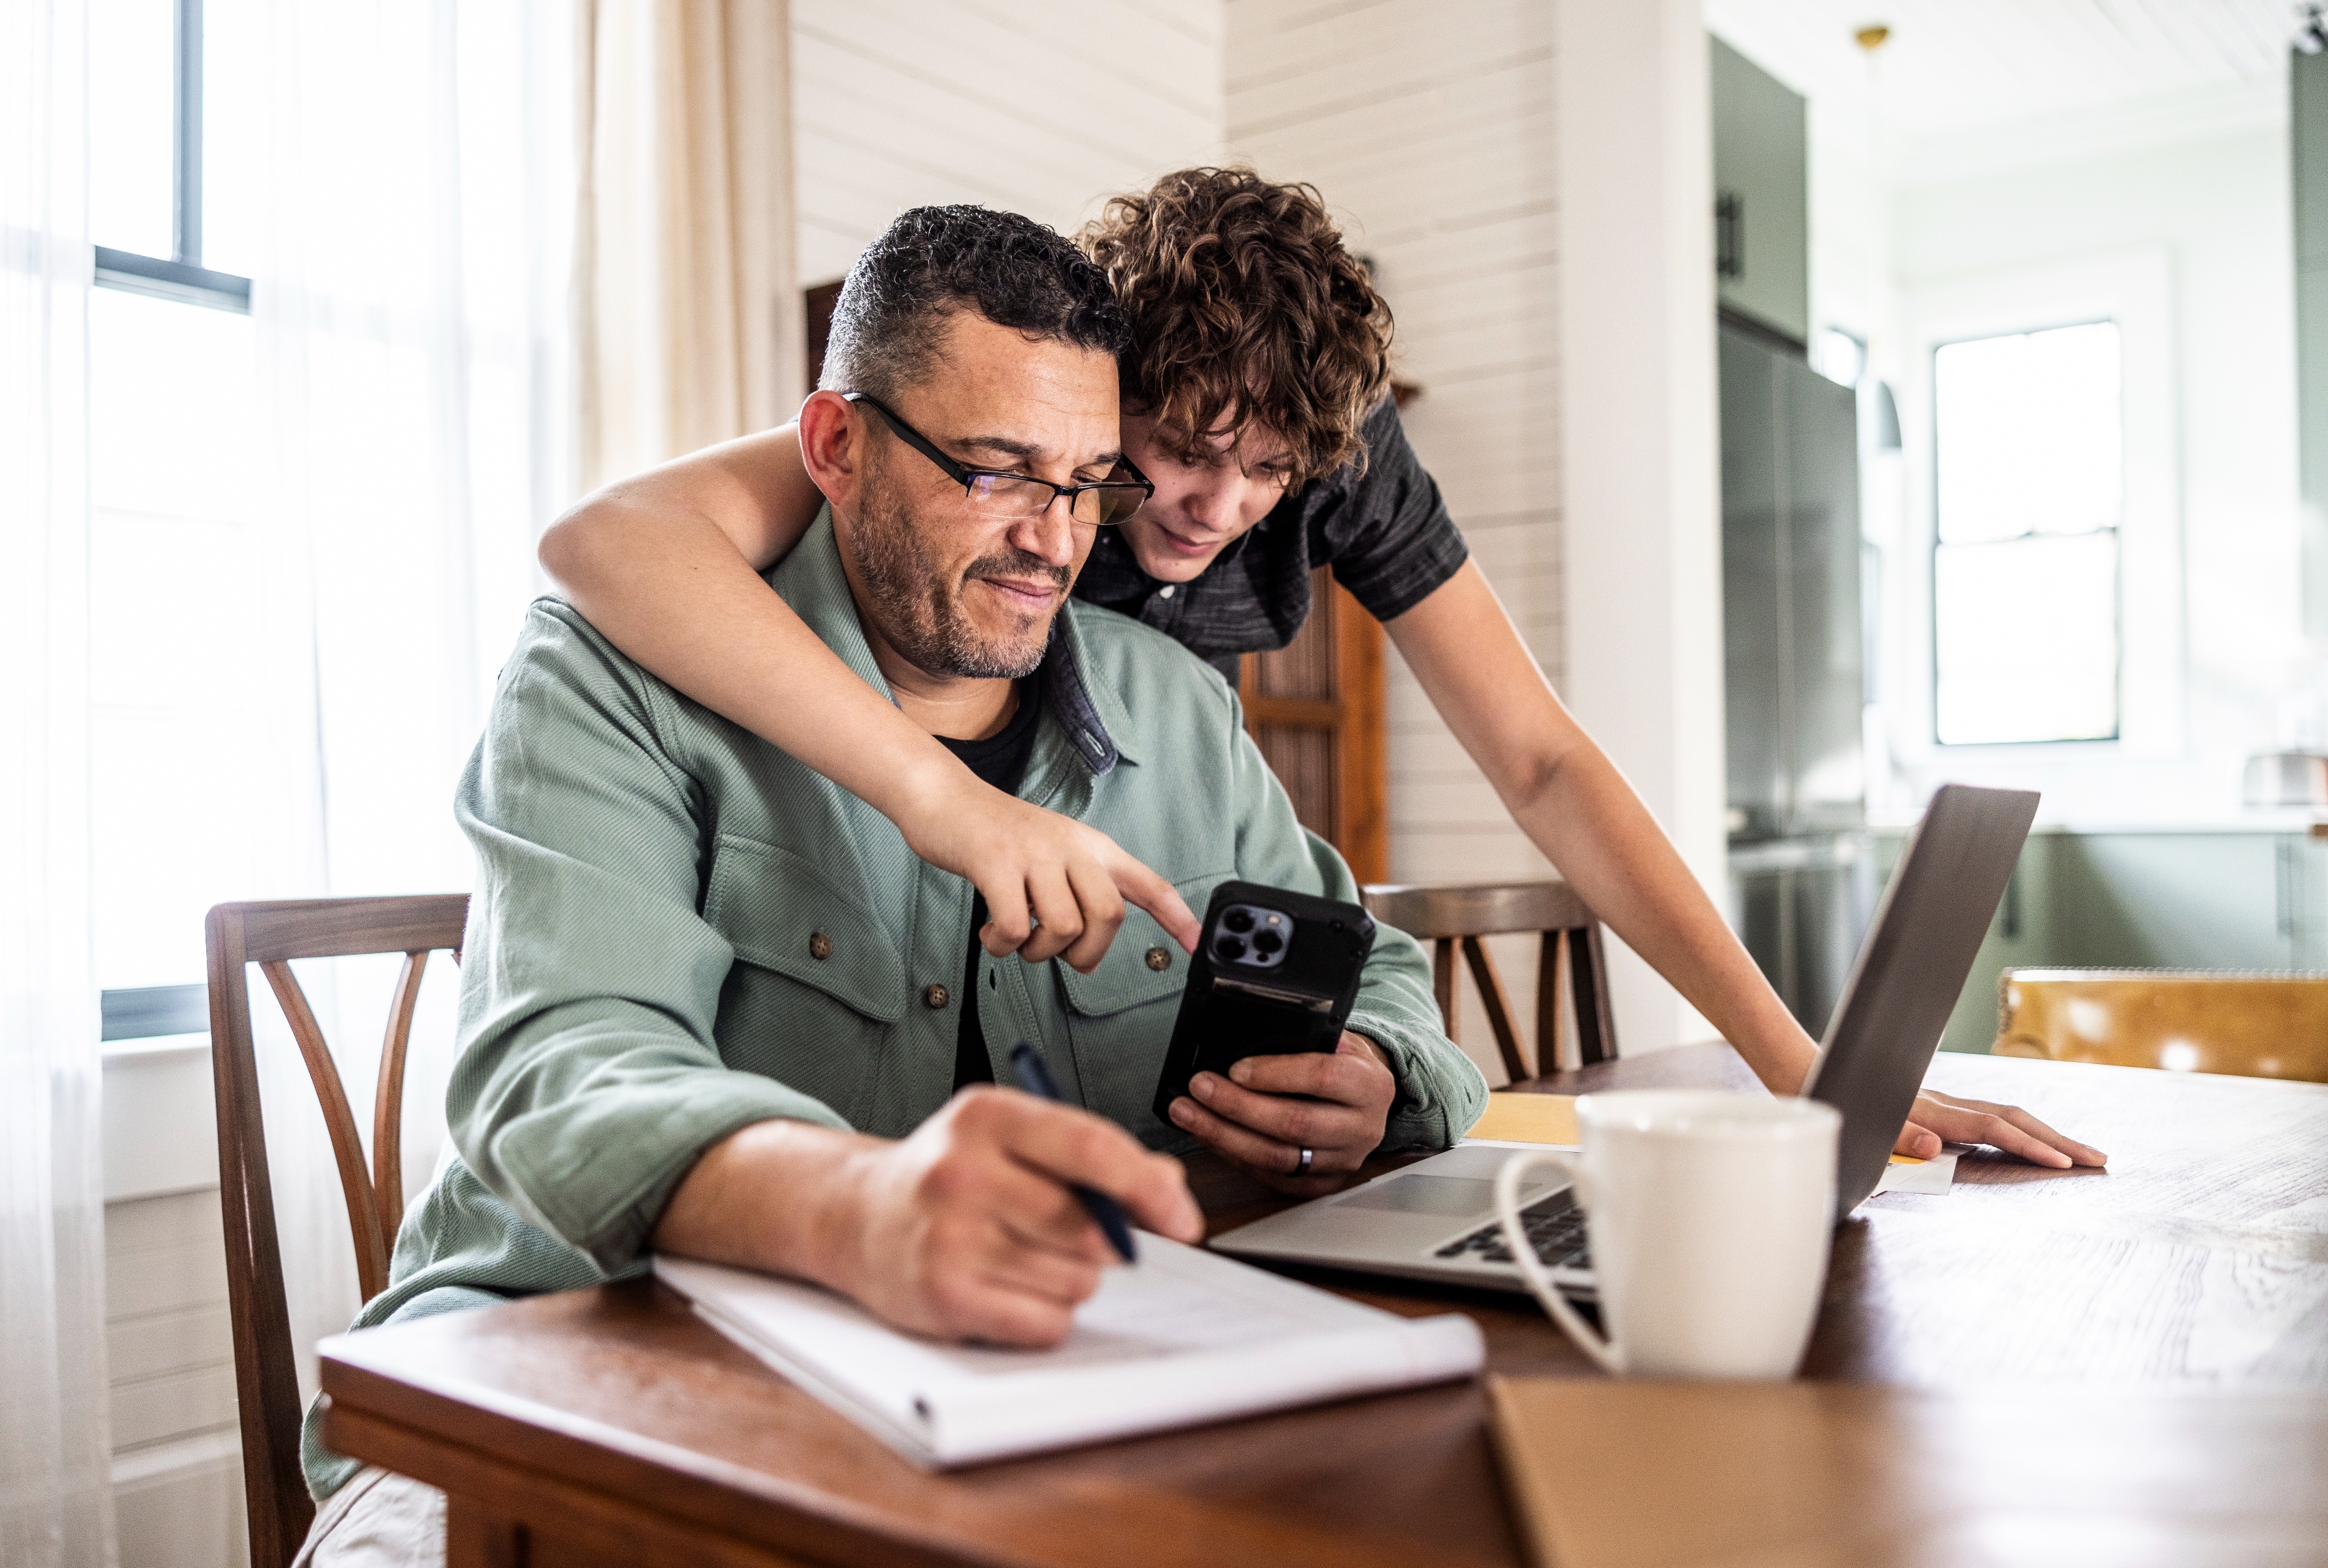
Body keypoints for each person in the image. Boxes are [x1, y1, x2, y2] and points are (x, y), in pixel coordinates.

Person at [292, 204, 1486, 1563]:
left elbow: (1378, 969)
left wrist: (1378, 1070)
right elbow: (565, 1078)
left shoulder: (1178, 704)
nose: (1055, 541)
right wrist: (859, 1208)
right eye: (997, 471)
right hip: (539, 1390)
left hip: (1018, 1410)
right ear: (835, 448)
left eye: (1089, 483)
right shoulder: (611, 670)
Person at [540, 167, 2107, 1172]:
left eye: (1270, 472)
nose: (1213, 509)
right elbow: (609, 541)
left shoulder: (1269, 547)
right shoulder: (996, 448)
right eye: (1169, 451)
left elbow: (1543, 760)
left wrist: (1798, 1064)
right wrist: (942, 799)